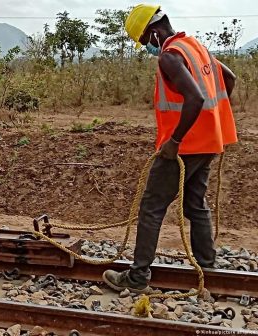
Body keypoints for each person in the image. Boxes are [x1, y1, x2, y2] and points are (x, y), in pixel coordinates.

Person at [102, 4, 238, 293]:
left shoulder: (170, 56)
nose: (146, 48)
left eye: (142, 42)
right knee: (195, 205)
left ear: (153, 32)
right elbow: (230, 79)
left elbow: (195, 98)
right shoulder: (195, 46)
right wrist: (213, 120)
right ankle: (207, 265)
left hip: (183, 148)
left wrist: (174, 140)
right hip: (209, 142)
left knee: (151, 207)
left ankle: (137, 278)